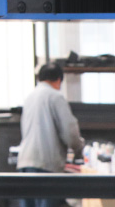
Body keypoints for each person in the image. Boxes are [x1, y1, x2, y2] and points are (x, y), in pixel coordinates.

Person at [16, 62, 84, 207]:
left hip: (25, 162)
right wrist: (78, 149)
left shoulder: (30, 97)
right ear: (59, 80)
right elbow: (69, 130)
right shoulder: (55, 96)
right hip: (46, 164)